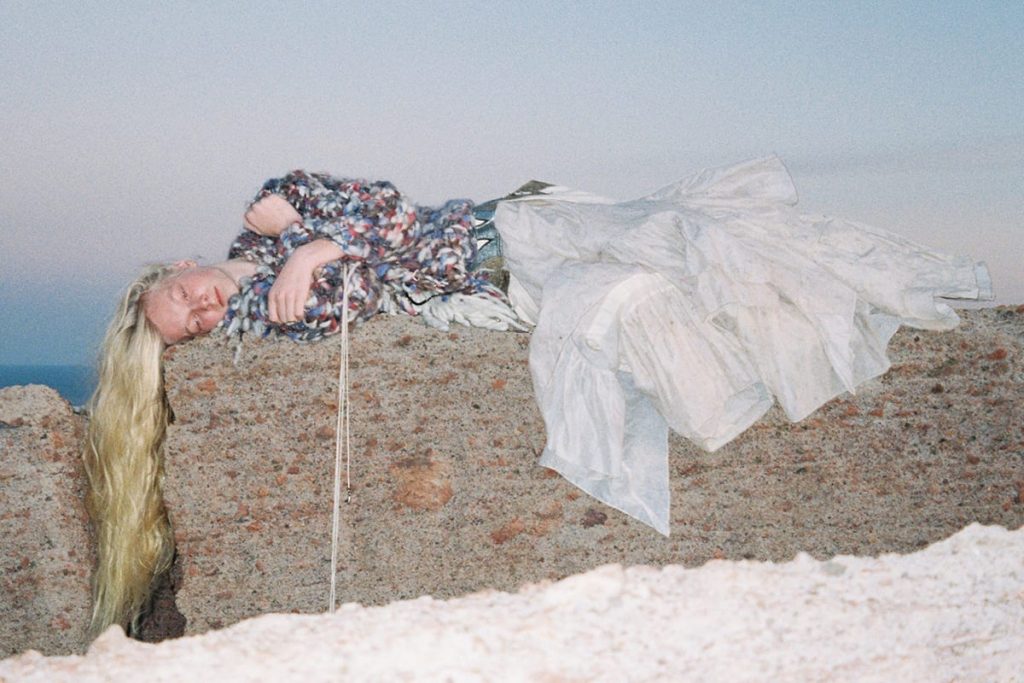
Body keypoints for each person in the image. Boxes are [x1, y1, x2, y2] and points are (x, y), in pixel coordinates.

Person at [82, 171, 520, 635]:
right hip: (497, 268)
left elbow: (392, 210)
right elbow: (354, 292)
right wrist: (301, 243)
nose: (203, 305)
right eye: (193, 323)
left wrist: (306, 249)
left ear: (182, 266)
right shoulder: (258, 311)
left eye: (183, 293)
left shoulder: (270, 205)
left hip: (489, 223)